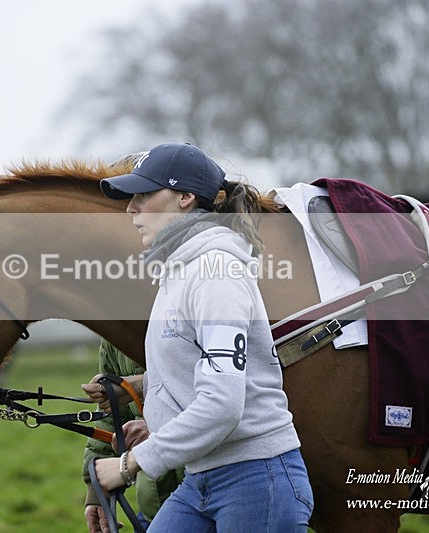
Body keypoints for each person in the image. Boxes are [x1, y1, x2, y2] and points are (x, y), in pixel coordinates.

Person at [94, 142, 313, 531]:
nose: (131, 209)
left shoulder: (215, 273)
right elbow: (204, 369)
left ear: (185, 197)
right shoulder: (177, 272)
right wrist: (148, 403)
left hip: (255, 479)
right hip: (201, 478)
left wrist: (130, 465)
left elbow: (223, 405)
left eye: (144, 195)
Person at [81, 339, 183, 532]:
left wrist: (158, 427)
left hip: (210, 497)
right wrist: (98, 491)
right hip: (152, 508)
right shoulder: (114, 333)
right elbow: (112, 417)